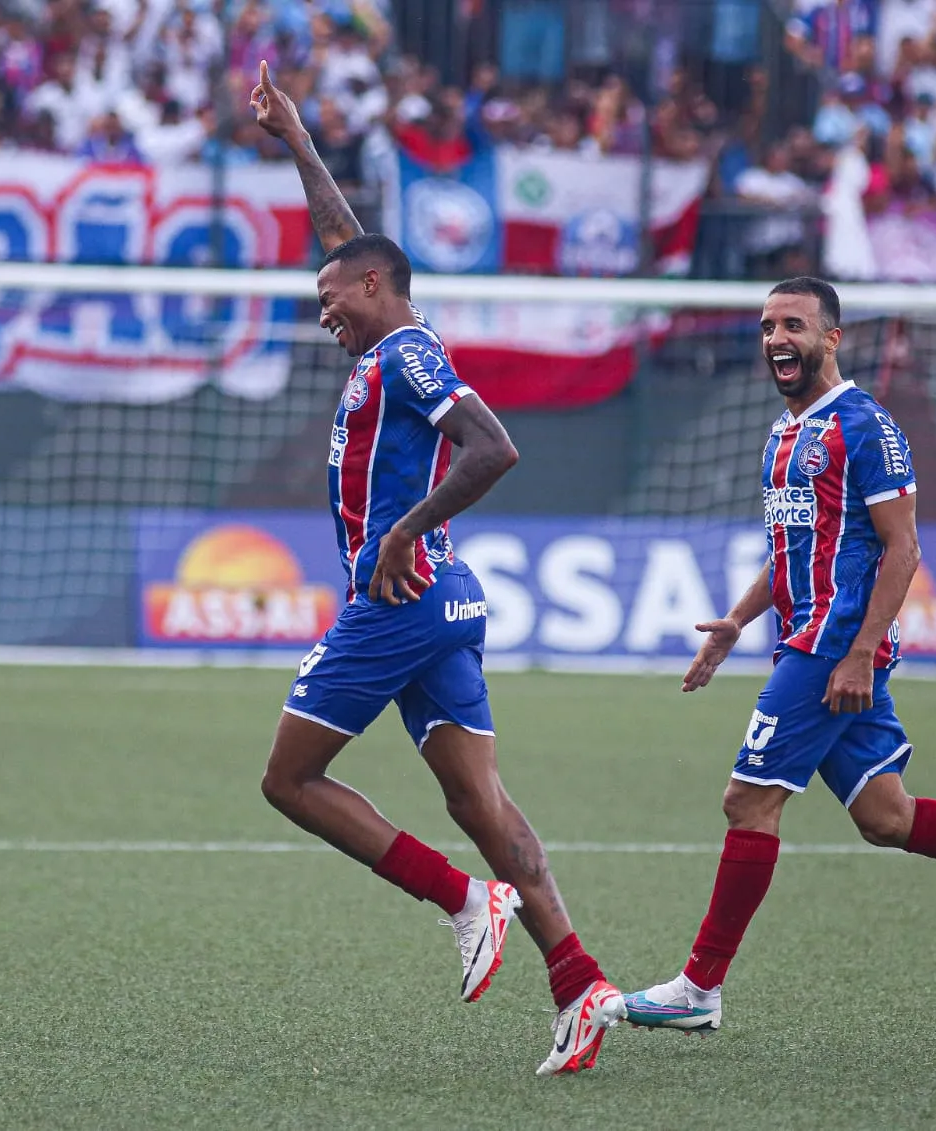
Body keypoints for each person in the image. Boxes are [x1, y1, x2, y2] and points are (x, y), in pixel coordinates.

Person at [247, 61, 625, 1077]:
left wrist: (403, 534)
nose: (323, 307)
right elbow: (344, 238)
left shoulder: (408, 353)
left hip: (401, 601)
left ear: (379, 288)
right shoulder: (384, 339)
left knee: (288, 779)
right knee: (481, 806)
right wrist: (297, 139)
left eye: (334, 295)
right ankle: (579, 982)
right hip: (445, 606)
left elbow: (494, 447)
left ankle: (463, 901)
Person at [623, 277, 936, 1033]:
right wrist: (736, 621)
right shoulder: (783, 433)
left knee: (748, 802)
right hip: (808, 639)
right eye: (767, 327)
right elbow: (790, 552)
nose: (776, 339)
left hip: (830, 649)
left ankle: (699, 987)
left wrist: (858, 653)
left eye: (793, 325)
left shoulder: (865, 426)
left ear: (831, 337)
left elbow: (904, 547)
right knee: (887, 816)